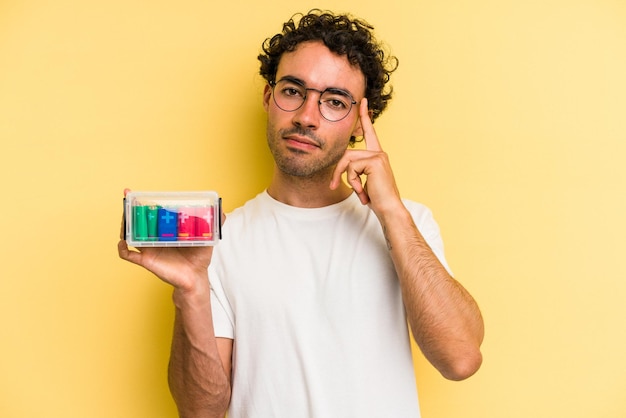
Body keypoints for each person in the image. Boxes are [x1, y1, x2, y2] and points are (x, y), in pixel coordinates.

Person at [118, 9, 484, 418]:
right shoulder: (221, 241)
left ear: (360, 124)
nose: (307, 117)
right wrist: (190, 290)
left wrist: (391, 213)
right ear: (267, 98)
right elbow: (200, 412)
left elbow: (461, 358)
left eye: (334, 101)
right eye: (293, 91)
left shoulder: (408, 225)